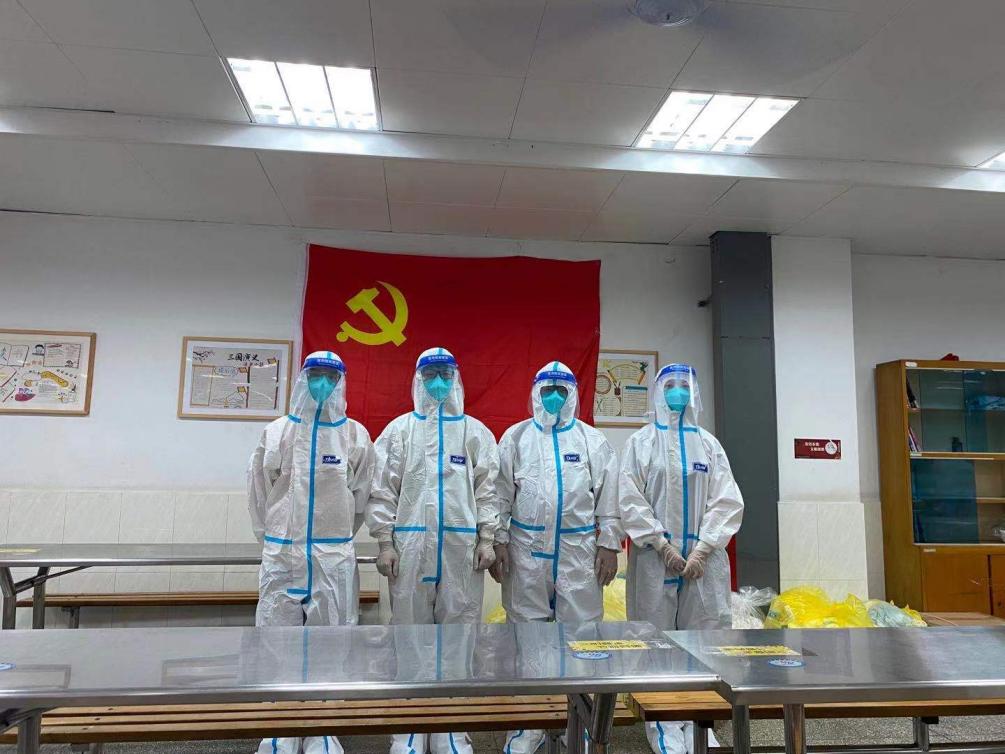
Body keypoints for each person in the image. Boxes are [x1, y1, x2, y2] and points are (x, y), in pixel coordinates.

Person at [367, 347, 500, 754]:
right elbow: (382, 490)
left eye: (445, 374)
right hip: (409, 549)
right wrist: (384, 542)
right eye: (430, 375)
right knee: (409, 632)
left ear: (456, 379)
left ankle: (451, 727)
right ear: (418, 380)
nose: (438, 382)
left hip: (461, 551)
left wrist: (487, 537)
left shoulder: (474, 432)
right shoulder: (399, 431)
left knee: (459, 634)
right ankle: (408, 727)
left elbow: (488, 489)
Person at [247, 351, 375, 754]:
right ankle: (280, 729)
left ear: (341, 383)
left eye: (331, 377)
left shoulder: (355, 435)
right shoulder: (277, 432)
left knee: (331, 641)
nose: (322, 384)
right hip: (282, 555)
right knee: (276, 640)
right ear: (303, 379)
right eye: (315, 375)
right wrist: (274, 539)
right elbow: (259, 493)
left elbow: (360, 498)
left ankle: (322, 727)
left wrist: (335, 537)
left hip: (331, 557)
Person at [491, 361, 622, 754]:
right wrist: (498, 541)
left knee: (581, 637)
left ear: (572, 395)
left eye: (560, 391)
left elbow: (609, 498)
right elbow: (499, 495)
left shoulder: (592, 441)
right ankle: (527, 725)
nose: (553, 397)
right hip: (526, 552)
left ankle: (576, 723)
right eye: (546, 390)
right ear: (535, 393)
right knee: (526, 638)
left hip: (578, 552)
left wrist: (609, 544)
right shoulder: (516, 438)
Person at [618, 363, 743, 754]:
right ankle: (663, 724)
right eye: (669, 385)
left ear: (694, 392)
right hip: (655, 562)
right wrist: (662, 545)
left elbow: (726, 499)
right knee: (655, 642)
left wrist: (703, 548)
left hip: (704, 564)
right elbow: (629, 498)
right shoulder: (641, 443)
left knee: (704, 642)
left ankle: (700, 722)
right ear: (658, 392)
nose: (677, 392)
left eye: (684, 385)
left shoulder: (709, 444)